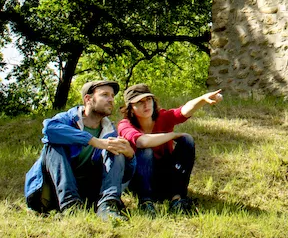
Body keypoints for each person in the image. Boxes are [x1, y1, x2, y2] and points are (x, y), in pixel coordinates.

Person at [23, 79, 135, 219]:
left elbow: (125, 177)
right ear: (88, 99)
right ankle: (71, 207)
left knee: (115, 149)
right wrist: (93, 141)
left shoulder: (110, 131)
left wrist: (130, 156)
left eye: (112, 96)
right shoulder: (67, 119)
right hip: (51, 191)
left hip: (85, 192)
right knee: (54, 145)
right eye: (105, 95)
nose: (111, 100)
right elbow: (49, 129)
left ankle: (108, 207)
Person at [117, 84, 223, 214]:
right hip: (140, 179)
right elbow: (141, 142)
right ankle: (146, 203)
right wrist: (172, 135)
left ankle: (177, 200)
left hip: (165, 176)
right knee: (146, 150)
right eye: (140, 102)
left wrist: (202, 98)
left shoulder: (162, 117)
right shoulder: (125, 125)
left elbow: (183, 111)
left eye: (148, 100)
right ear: (131, 108)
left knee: (187, 140)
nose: (146, 105)